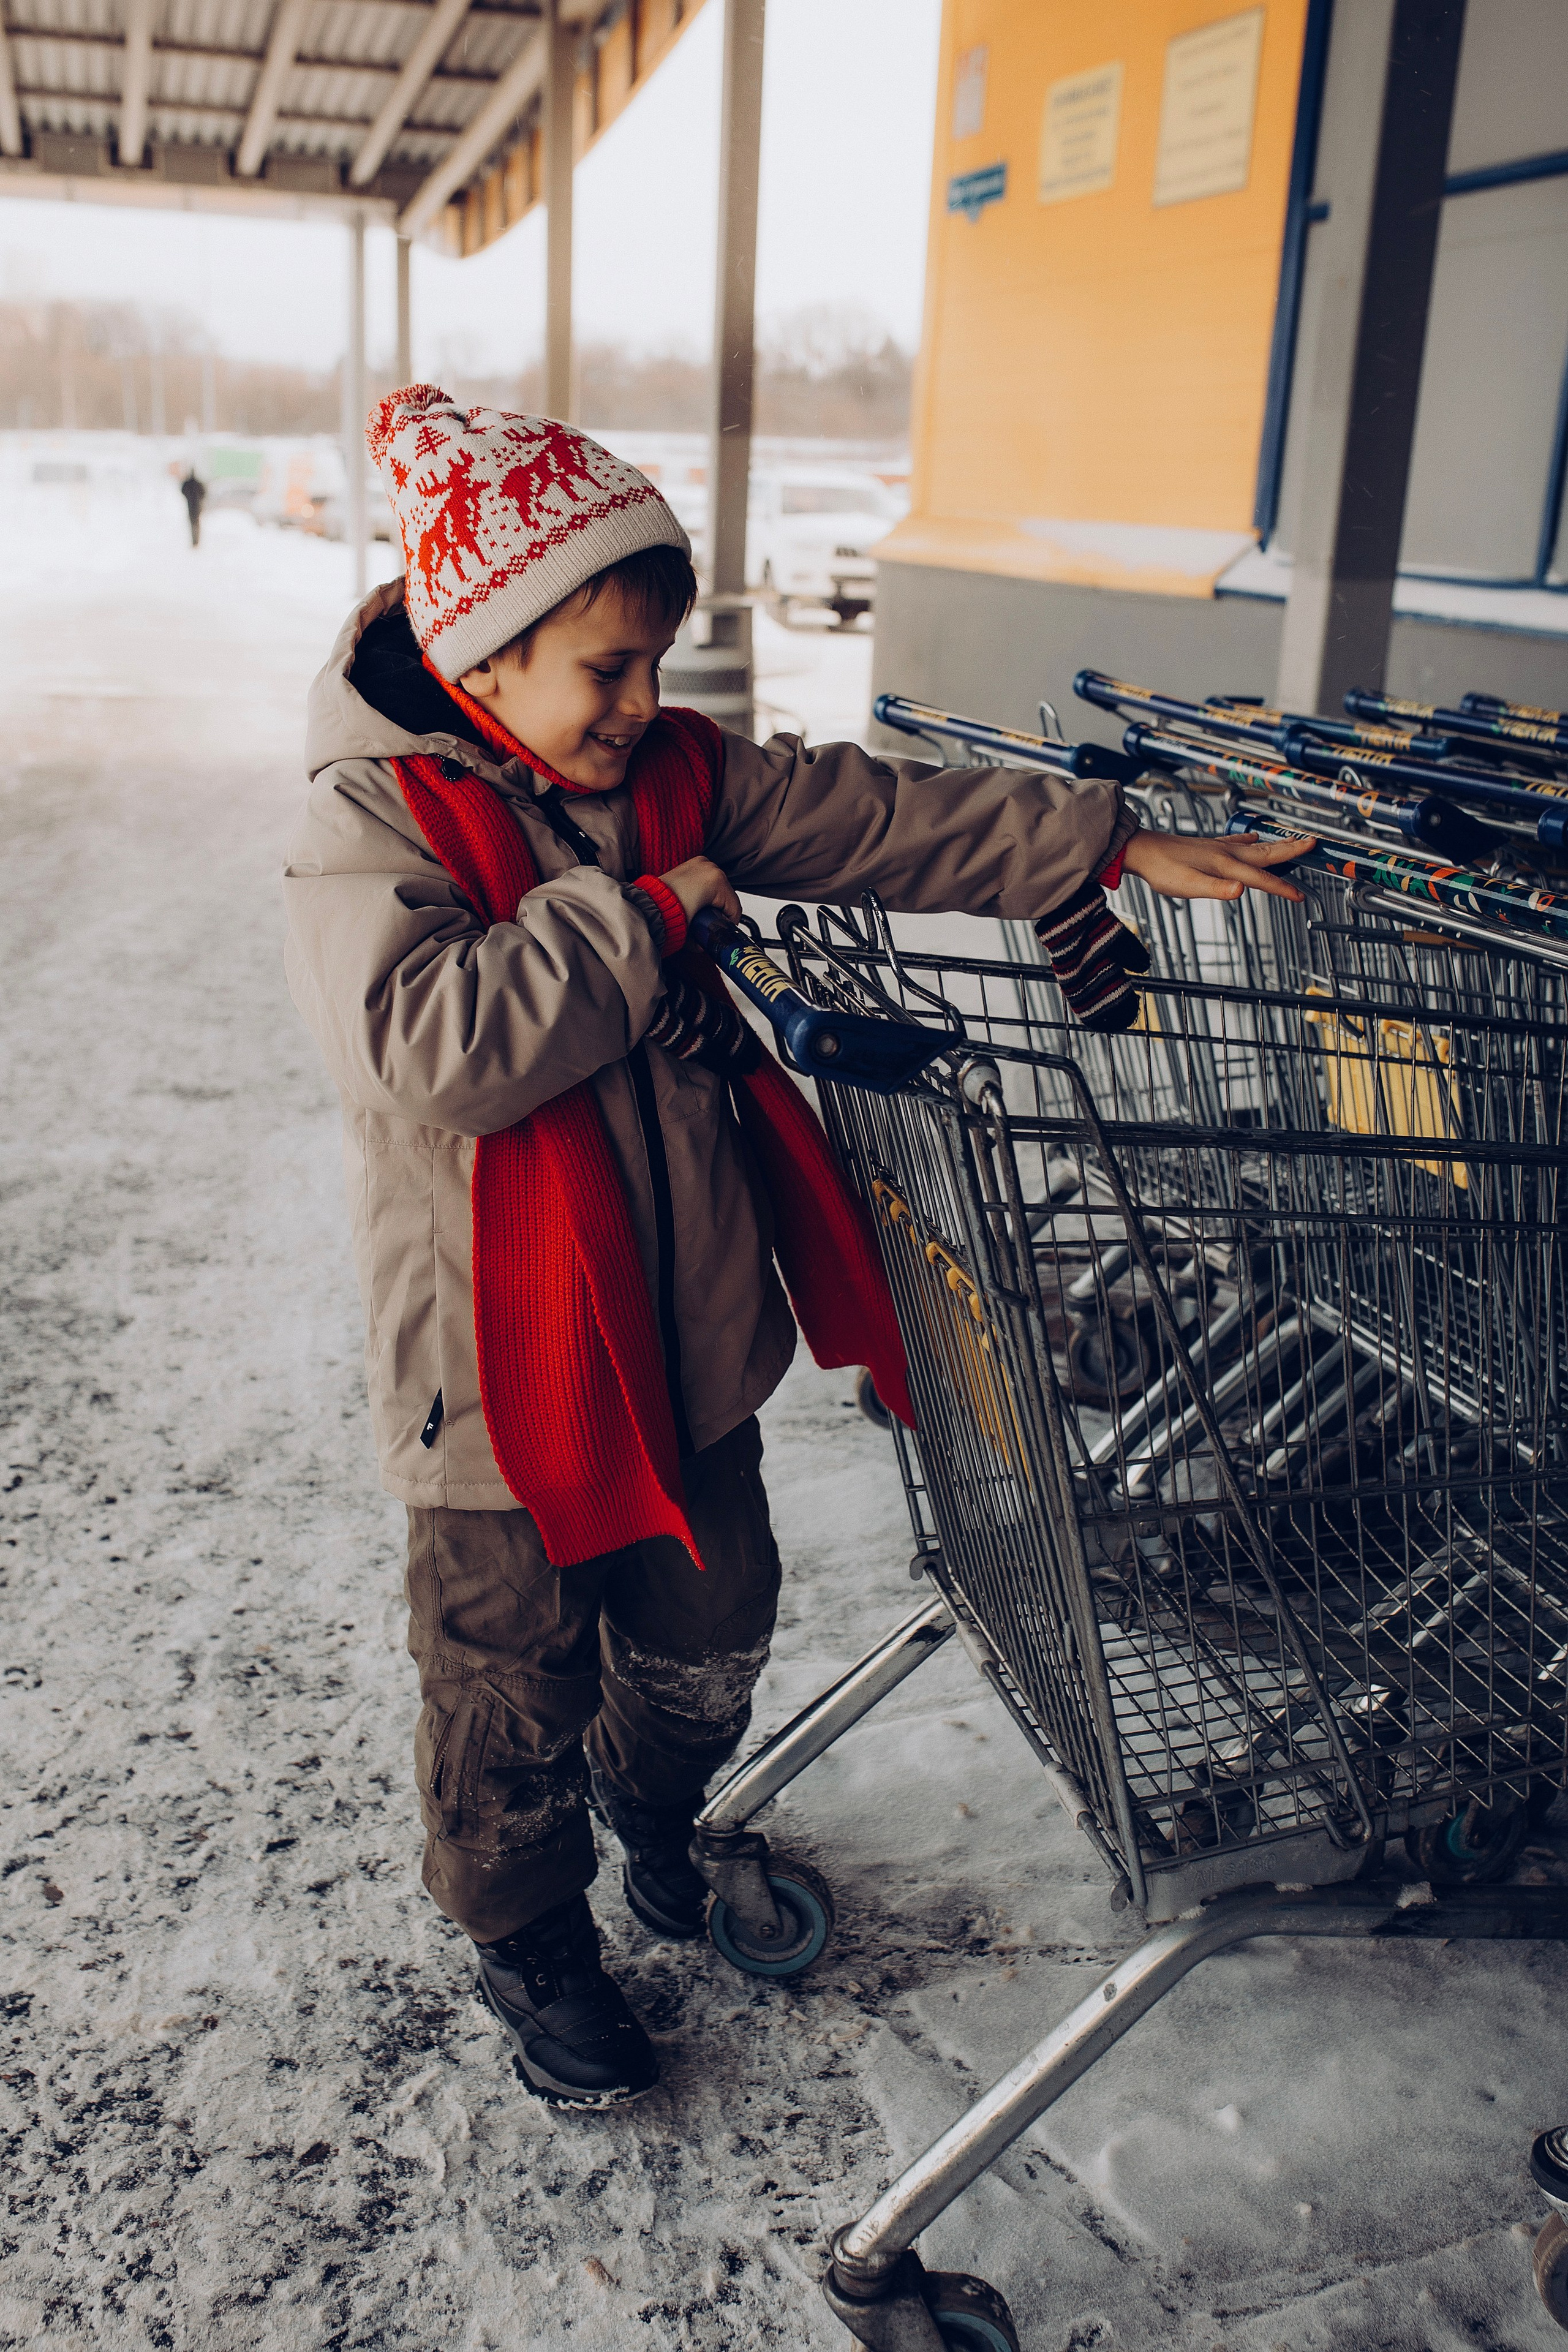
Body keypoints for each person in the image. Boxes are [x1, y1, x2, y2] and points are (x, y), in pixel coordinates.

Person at [282, 386, 1310, 2109]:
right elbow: (438, 1047)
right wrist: (652, 914)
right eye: (601, 670)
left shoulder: (674, 775)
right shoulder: (372, 820)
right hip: (493, 1378)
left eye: (653, 666)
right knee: (506, 1686)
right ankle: (530, 1931)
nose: (640, 707)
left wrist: (1106, 841)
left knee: (712, 1625)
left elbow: (879, 817)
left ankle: (654, 1797)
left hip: (688, 1338)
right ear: (483, 652)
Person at [179, 467, 205, 548]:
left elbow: (183, 491)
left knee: (192, 524)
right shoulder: (198, 483)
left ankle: (194, 541)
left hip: (191, 506)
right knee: (197, 523)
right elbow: (204, 493)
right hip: (197, 506)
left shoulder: (188, 484)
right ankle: (196, 541)